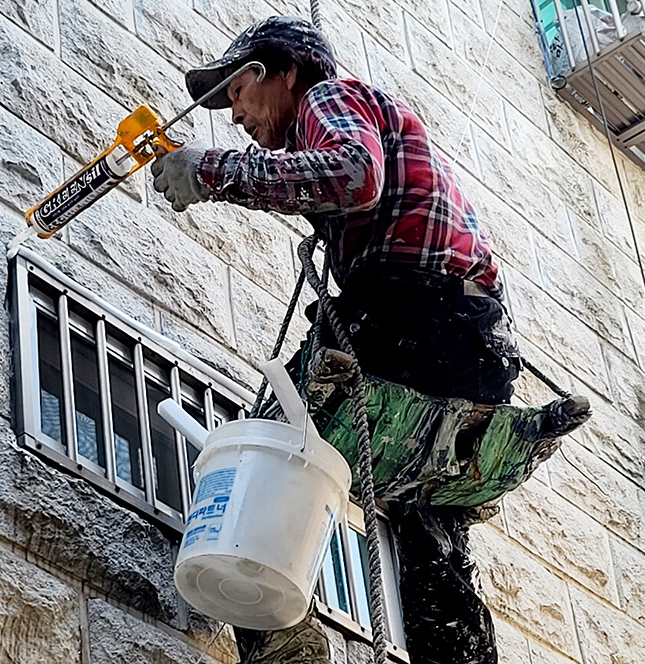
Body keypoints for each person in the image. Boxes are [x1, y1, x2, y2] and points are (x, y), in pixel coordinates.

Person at [151, 16, 520, 664]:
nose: (235, 115)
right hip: (472, 347)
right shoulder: (364, 119)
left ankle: (276, 635)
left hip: (412, 317)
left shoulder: (329, 98)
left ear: (284, 73)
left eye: (237, 92)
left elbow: (352, 174)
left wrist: (212, 172)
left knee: (263, 448)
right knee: (424, 516)